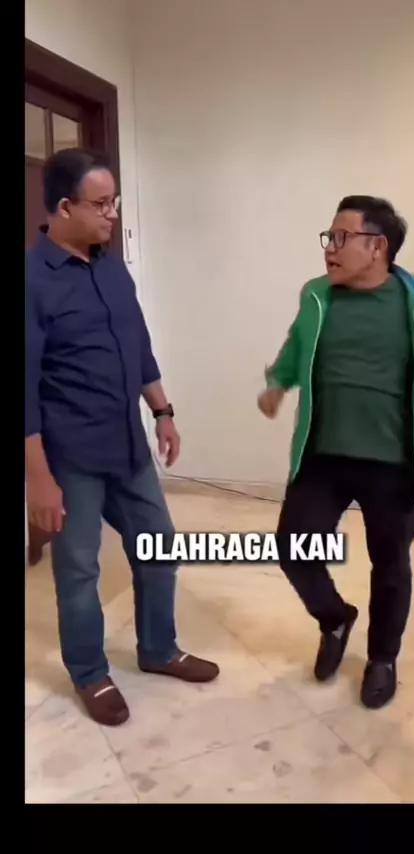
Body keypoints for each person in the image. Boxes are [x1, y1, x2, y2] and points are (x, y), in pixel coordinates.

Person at [25, 148, 219, 727]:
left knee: (160, 549)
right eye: (101, 204)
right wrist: (38, 479)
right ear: (65, 207)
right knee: (79, 571)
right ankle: (89, 672)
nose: (112, 213)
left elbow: (137, 343)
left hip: (128, 446)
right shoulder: (32, 281)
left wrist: (163, 410)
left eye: (114, 201)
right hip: (71, 457)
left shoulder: (111, 267)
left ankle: (159, 649)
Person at [258, 196, 414, 709]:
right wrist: (277, 382)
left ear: (377, 246)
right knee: (294, 548)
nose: (330, 247)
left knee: (390, 566)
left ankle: (382, 658)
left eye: (342, 237)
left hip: (395, 462)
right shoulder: (316, 295)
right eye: (329, 237)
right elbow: (297, 345)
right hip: (323, 455)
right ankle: (335, 619)